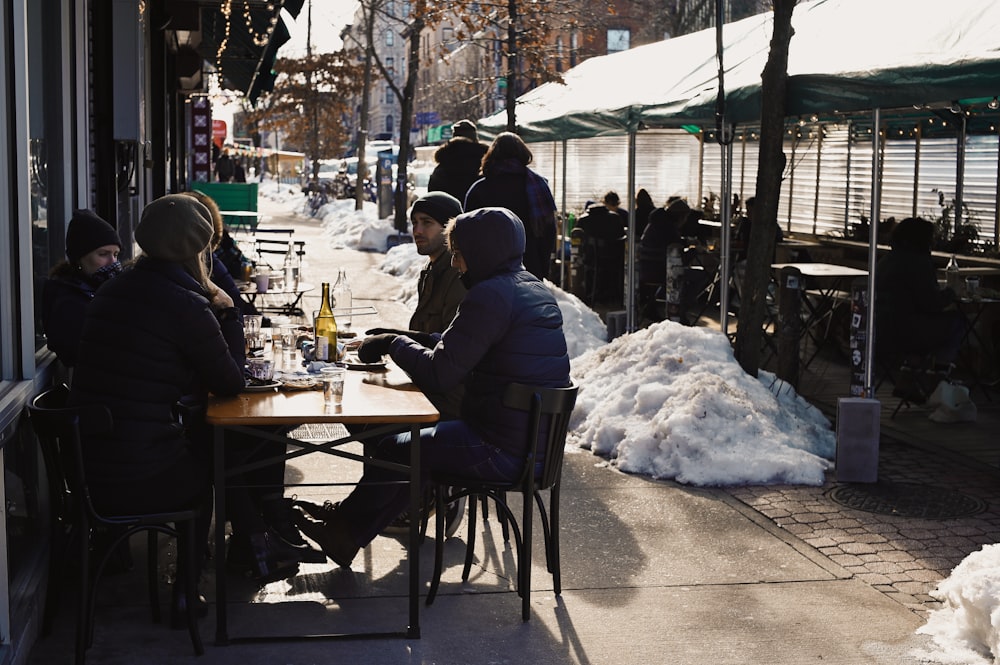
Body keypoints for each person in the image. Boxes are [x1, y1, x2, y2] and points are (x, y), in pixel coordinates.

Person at [293, 207, 571, 568]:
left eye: (459, 253)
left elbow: (440, 374)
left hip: (498, 448)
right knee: (405, 444)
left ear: (480, 252)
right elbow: (462, 344)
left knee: (396, 445)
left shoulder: (490, 295)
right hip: (533, 446)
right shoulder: (530, 287)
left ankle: (345, 532)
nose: (456, 265)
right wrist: (406, 337)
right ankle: (348, 528)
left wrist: (395, 346)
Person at [68, 194, 306, 609]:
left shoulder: (112, 289)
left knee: (215, 445)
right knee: (215, 461)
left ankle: (259, 544)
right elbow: (230, 381)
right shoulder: (186, 302)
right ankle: (191, 587)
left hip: (90, 467)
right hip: (138, 475)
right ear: (200, 246)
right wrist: (229, 314)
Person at [464, 132, 558, 281]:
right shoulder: (538, 185)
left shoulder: (479, 189)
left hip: (487, 270)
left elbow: (467, 234)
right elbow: (548, 231)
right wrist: (542, 267)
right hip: (530, 267)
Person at [875, 217, 966, 366]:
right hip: (908, 332)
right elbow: (931, 304)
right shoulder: (919, 262)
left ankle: (911, 371)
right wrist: (952, 291)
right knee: (957, 321)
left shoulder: (886, 260)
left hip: (880, 330)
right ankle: (938, 370)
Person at [42, 209, 123, 369]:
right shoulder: (69, 302)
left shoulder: (102, 290)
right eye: (103, 254)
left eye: (116, 254)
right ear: (80, 257)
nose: (112, 261)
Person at [574, 192, 627, 303]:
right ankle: (614, 295)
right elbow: (621, 236)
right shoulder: (615, 218)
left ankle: (590, 293)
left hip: (591, 257)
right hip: (614, 257)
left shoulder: (583, 220)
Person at [427, 119, 488, 202]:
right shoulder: (486, 166)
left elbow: (433, 198)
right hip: (479, 213)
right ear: (475, 138)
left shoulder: (442, 168)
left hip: (448, 213)